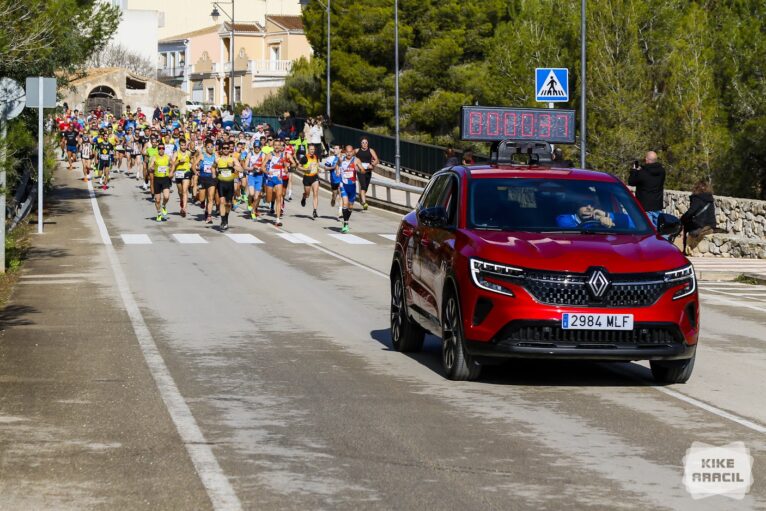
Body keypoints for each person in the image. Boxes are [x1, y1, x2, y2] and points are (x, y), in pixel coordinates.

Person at [629, 151, 666, 226]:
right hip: (657, 206)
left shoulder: (642, 173)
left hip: (644, 206)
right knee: (659, 230)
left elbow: (631, 182)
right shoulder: (662, 171)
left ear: (646, 160)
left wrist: (634, 171)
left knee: (647, 230)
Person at [680, 180, 716, 254]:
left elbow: (691, 211)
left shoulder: (697, 198)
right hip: (711, 226)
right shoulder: (710, 198)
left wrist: (681, 219)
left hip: (700, 227)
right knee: (688, 221)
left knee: (685, 223)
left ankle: (684, 249)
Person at [339, 144, 365, 233]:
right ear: (345, 152)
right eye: (347, 152)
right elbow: (337, 166)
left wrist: (358, 168)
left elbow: (363, 170)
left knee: (350, 206)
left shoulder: (356, 160)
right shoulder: (341, 159)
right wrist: (337, 171)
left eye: (351, 152)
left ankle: (346, 221)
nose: (349, 154)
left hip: (352, 187)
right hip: (343, 185)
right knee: (345, 203)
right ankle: (345, 223)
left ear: (352, 152)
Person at [149, 143, 172, 222]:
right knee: (157, 200)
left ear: (164, 149)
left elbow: (173, 165)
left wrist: (171, 172)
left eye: (162, 148)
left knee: (166, 197)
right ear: (158, 149)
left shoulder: (168, 157)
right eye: (160, 148)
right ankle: (159, 213)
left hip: (165, 178)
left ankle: (164, 206)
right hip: (157, 179)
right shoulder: (154, 157)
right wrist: (151, 168)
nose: (161, 150)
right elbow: (150, 167)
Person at [355, 137, 379, 210]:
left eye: (366, 143)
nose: (364, 144)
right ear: (360, 143)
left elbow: (377, 160)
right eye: (363, 143)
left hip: (368, 171)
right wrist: (356, 165)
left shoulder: (371, 150)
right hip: (360, 171)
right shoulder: (357, 150)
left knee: (365, 188)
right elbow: (350, 157)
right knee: (363, 186)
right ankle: (364, 203)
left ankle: (361, 197)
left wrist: (372, 165)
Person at [171, 139, 193, 217]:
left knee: (184, 190)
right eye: (182, 145)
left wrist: (192, 165)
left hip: (186, 172)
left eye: (184, 145)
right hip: (178, 173)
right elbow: (173, 164)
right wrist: (179, 161)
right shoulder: (176, 154)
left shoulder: (189, 153)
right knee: (180, 192)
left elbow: (192, 161)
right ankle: (182, 201)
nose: (183, 147)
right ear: (179, 145)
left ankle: (184, 208)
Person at [299, 144, 320, 219]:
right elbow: (298, 166)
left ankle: (315, 210)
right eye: (311, 149)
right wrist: (306, 169)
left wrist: (318, 169)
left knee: (315, 193)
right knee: (308, 194)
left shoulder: (316, 156)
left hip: (314, 177)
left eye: (313, 149)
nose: (312, 151)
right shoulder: (304, 158)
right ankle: (304, 197)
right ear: (308, 149)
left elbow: (317, 164)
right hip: (307, 178)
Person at [324, 144, 343, 218]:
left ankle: (340, 211)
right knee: (335, 194)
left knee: (341, 193)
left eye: (336, 148)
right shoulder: (331, 158)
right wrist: (333, 167)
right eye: (334, 148)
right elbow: (325, 168)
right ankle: (333, 198)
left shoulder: (344, 158)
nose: (334, 150)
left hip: (341, 179)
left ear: (340, 150)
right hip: (334, 180)